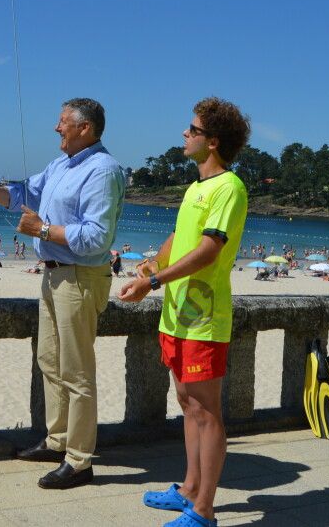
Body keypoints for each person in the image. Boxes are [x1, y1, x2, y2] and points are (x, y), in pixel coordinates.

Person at [0, 97, 125, 490]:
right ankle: (58, 441)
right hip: (55, 276)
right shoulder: (61, 164)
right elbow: (26, 195)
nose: (56, 128)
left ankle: (79, 460)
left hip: (80, 277)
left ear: (84, 128)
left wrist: (41, 230)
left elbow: (96, 238)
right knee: (50, 362)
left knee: (76, 371)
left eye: (62, 122)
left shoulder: (103, 171)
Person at [119, 97, 251, 527]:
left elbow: (210, 250)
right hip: (176, 315)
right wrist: (152, 266)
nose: (184, 134)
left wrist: (153, 283)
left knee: (206, 411)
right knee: (186, 403)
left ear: (212, 141)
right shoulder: (196, 187)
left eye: (191, 130)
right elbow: (179, 238)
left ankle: (204, 509)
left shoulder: (229, 187)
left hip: (204, 318)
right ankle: (190, 488)